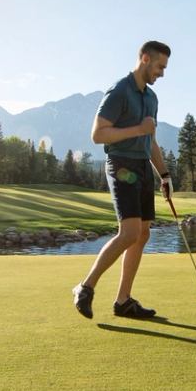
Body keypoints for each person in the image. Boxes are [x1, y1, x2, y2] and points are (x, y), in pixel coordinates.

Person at [72, 40, 173, 320]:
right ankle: (85, 287)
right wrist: (137, 129)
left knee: (142, 233)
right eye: (159, 66)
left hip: (142, 166)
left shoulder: (151, 98)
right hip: (121, 164)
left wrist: (164, 174)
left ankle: (123, 301)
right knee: (129, 232)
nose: (162, 73)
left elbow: (151, 140)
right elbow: (98, 134)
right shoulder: (119, 91)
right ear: (144, 59)